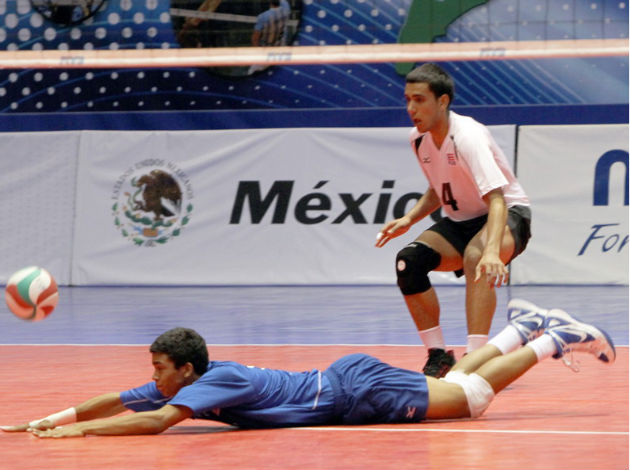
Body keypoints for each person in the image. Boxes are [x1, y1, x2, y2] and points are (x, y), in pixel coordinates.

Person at [1, 299, 614, 438]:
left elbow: (156, 421)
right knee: (454, 383)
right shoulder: (191, 377)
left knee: (472, 399)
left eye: (159, 368)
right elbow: (121, 399)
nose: (153, 377)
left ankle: (555, 339)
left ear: (186, 371)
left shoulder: (210, 383)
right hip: (348, 381)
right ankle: (520, 328)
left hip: (355, 394)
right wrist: (48, 419)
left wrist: (78, 436)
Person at [375, 63, 532, 377]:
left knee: (476, 256)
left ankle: (476, 359)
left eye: (419, 100)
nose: (411, 108)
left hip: (508, 213)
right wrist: (410, 218)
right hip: (463, 221)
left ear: (442, 101)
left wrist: (491, 252)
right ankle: (438, 355)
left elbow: (497, 199)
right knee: (409, 262)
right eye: (407, 100)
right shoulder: (418, 139)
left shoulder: (468, 137)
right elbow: (438, 188)